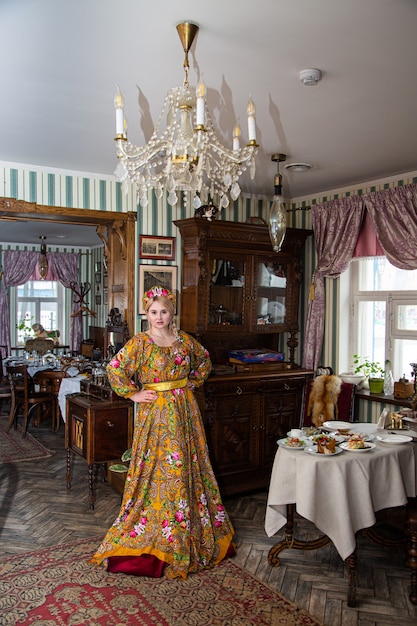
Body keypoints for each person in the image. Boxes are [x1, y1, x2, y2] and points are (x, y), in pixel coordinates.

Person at [90, 286, 235, 579]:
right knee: (159, 469)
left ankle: (188, 530)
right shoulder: (140, 343)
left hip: (185, 412)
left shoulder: (184, 341)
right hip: (155, 414)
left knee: (187, 467)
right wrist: (133, 394)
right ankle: (157, 531)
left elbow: (205, 361)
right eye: (154, 312)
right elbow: (115, 369)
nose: (159, 317)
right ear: (147, 313)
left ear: (172, 312)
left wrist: (192, 382)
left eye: (164, 311)